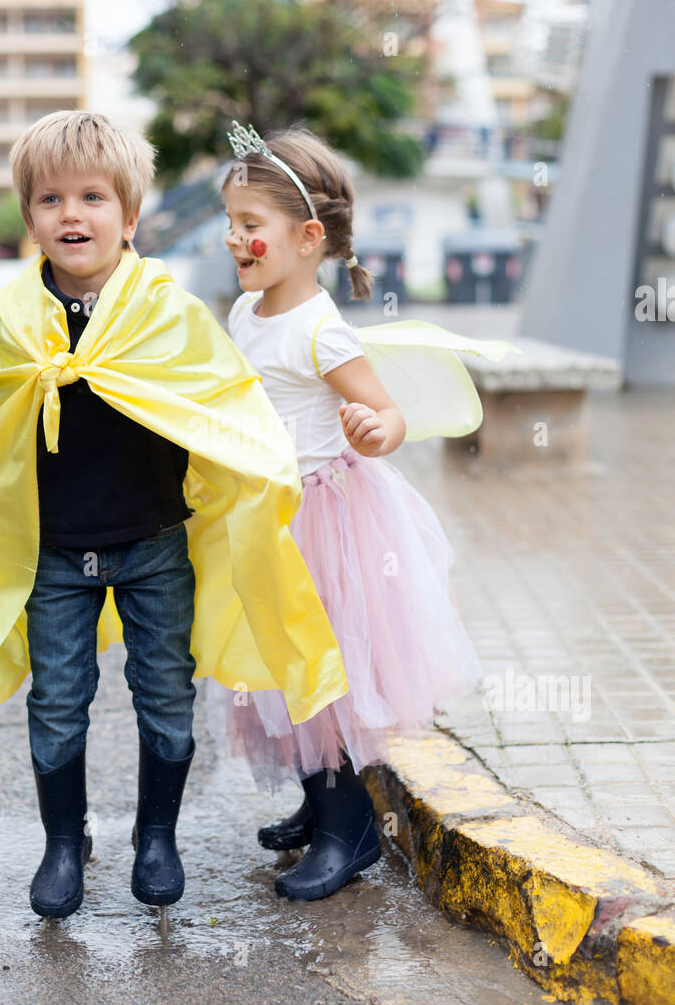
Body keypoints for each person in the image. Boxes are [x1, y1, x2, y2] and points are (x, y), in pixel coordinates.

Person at [0, 110, 350, 921]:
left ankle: (156, 836)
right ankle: (63, 843)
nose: (71, 215)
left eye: (93, 197)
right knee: (57, 700)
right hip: (55, 553)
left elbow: (224, 408)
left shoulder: (170, 312)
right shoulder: (15, 321)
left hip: (154, 544)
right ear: (29, 219)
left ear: (130, 218)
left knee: (165, 694)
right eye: (50, 200)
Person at [208, 120, 508, 902]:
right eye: (231, 224)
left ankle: (353, 832)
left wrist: (377, 430)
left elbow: (387, 413)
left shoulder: (320, 331)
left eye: (250, 226)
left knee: (324, 679)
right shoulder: (247, 315)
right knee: (283, 669)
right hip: (267, 516)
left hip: (325, 526)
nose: (234, 239)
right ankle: (318, 806)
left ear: (308, 237)